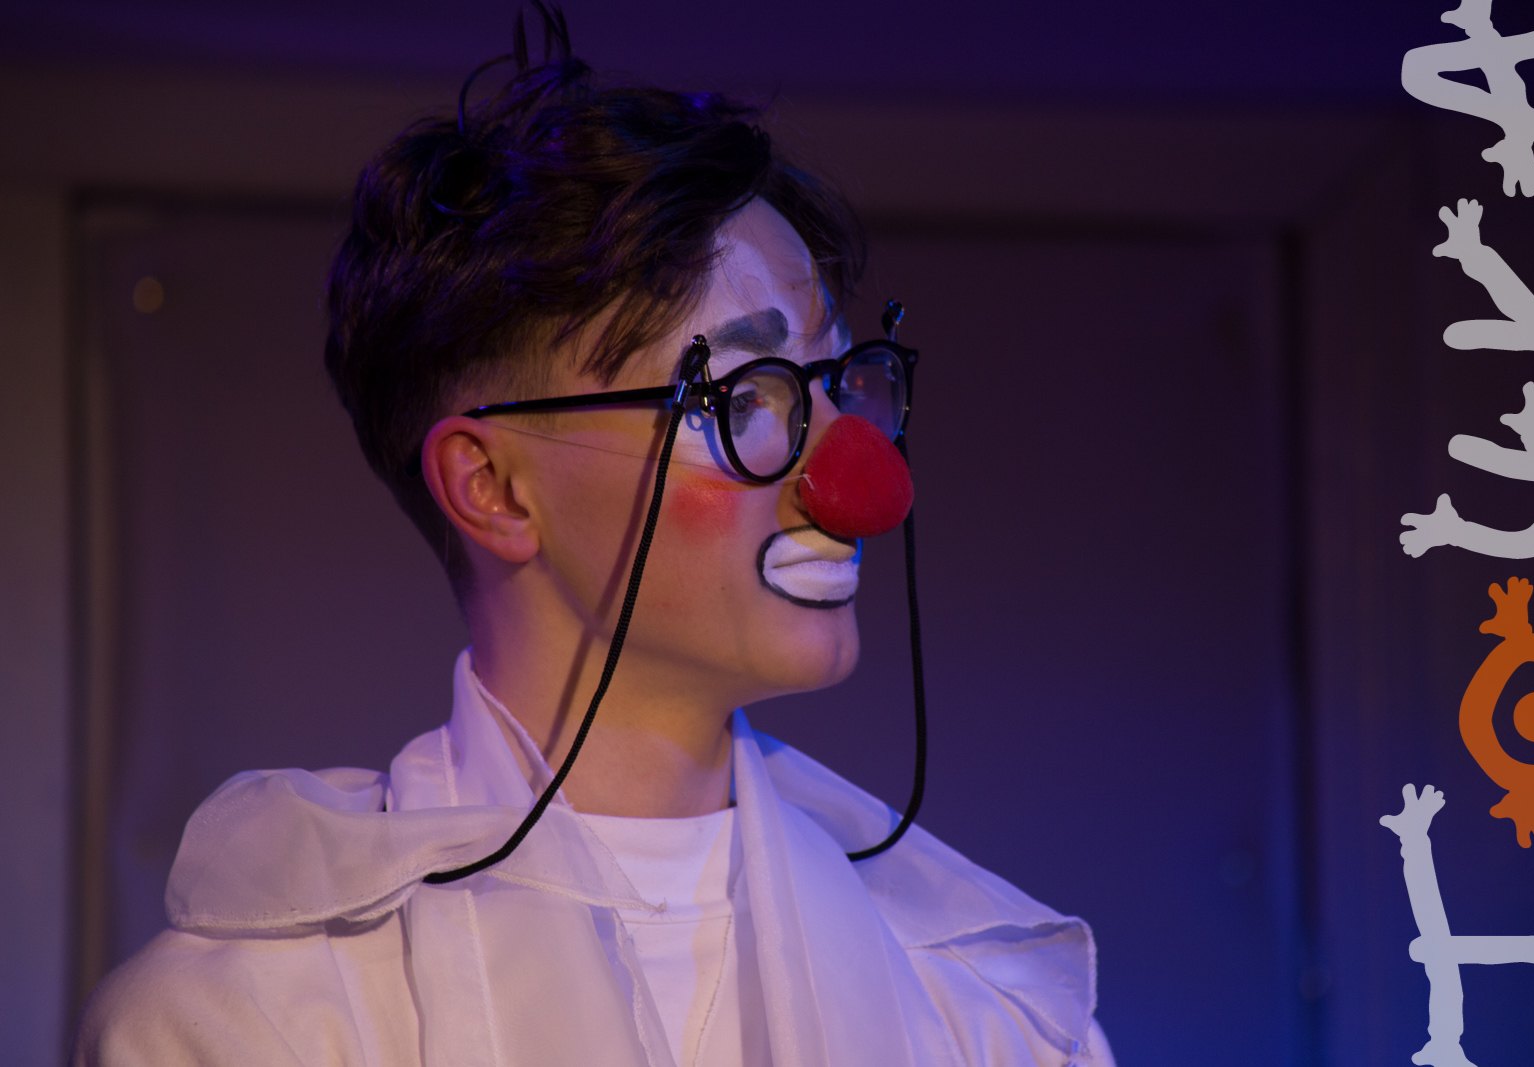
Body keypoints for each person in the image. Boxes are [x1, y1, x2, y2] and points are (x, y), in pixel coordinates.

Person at [74, 10, 1113, 1064]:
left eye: (840, 381)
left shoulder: (995, 1018)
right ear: (493, 488)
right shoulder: (249, 1024)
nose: (855, 484)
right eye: (742, 398)